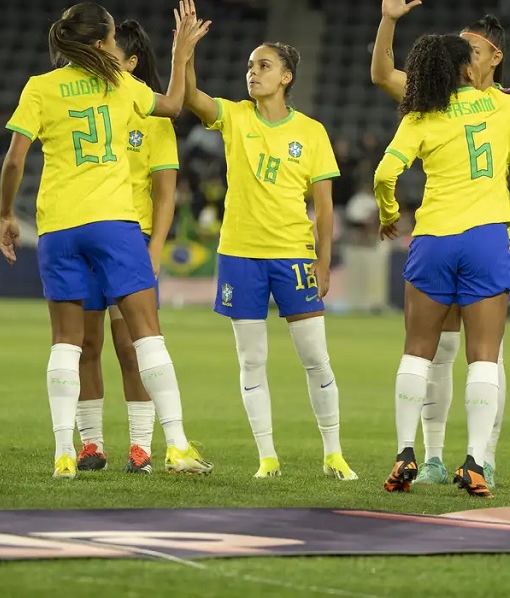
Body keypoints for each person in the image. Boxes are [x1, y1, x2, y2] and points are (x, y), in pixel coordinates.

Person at [0, 2, 212, 479]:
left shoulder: (40, 87)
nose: (118, 46)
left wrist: (8, 212)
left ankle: (63, 452)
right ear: (100, 44)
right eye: (113, 39)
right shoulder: (122, 85)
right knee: (146, 335)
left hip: (58, 226)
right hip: (115, 223)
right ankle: (175, 444)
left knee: (66, 343)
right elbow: (174, 105)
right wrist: (180, 55)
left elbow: (14, 160)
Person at [375, 4, 510, 498]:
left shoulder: (423, 110)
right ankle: (476, 462)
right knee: (485, 358)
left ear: (490, 56)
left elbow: (383, 174)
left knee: (418, 352)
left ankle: (405, 453)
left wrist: (388, 212)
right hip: (486, 237)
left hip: (434, 236)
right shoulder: (506, 107)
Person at [179, 0, 356, 480]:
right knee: (251, 359)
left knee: (316, 358)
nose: (252, 73)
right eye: (250, 66)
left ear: (287, 77)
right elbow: (191, 97)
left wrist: (323, 262)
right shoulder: (235, 117)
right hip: (240, 255)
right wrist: (185, 51)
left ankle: (333, 453)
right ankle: (267, 457)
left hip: (293, 256)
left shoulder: (311, 133)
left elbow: (323, 207)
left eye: (264, 66)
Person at [74, 20, 181, 475]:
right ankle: (90, 443)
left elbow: (166, 193)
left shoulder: (153, 119)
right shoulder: (88, 105)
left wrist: (155, 247)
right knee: (85, 343)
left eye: (113, 51)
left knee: (131, 344)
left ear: (132, 62)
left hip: (131, 240)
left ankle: (141, 447)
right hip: (84, 231)